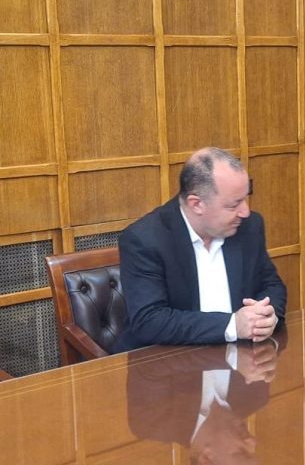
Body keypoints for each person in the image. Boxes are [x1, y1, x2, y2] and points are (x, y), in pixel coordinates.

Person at [113, 147, 286, 352]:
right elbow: (149, 320)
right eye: (233, 205)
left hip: (240, 359)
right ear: (196, 204)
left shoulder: (249, 227)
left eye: (246, 198)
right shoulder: (144, 240)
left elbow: (271, 284)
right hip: (165, 362)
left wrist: (267, 316)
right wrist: (232, 326)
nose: (245, 212)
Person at [126, 327, 288, 465]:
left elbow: (146, 362)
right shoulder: (255, 397)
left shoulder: (152, 421)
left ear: (207, 459)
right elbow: (275, 330)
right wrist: (269, 345)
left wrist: (230, 358)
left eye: (242, 453)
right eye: (253, 452)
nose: (252, 441)